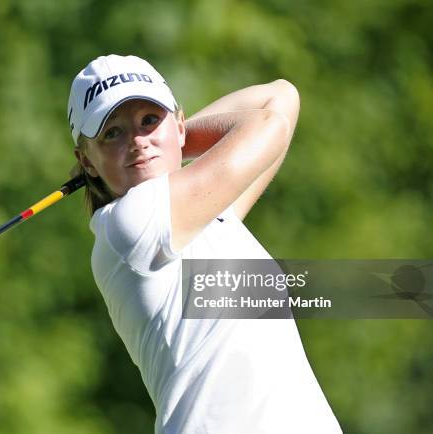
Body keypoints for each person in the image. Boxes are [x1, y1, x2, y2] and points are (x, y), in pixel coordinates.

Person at [67, 54, 342, 434]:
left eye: (150, 120)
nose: (138, 142)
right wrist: (172, 140)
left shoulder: (202, 217)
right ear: (87, 162)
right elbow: (269, 122)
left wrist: (174, 139)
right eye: (113, 132)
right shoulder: (134, 223)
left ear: (177, 122)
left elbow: (282, 97)